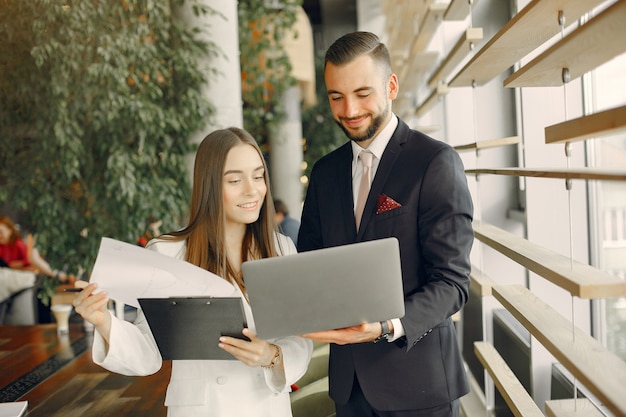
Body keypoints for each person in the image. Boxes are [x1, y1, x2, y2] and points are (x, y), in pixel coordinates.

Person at [72, 127, 313, 417]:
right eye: (235, 180)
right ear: (209, 185)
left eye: (259, 176)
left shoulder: (281, 248)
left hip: (266, 406)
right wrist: (103, 321)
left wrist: (271, 356)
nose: (252, 190)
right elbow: (149, 352)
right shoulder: (168, 253)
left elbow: (300, 338)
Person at [297, 32, 474, 417]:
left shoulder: (435, 163)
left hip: (421, 387)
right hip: (349, 388)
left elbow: (453, 283)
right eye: (336, 97)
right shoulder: (324, 174)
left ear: (391, 85)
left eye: (363, 93)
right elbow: (309, 266)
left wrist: (385, 326)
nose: (350, 109)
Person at [0, 215, 73, 283]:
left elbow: (28, 260)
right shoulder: (2, 247)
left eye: (1, 232)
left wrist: (15, 264)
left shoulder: (18, 243)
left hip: (27, 272)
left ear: (10, 230)